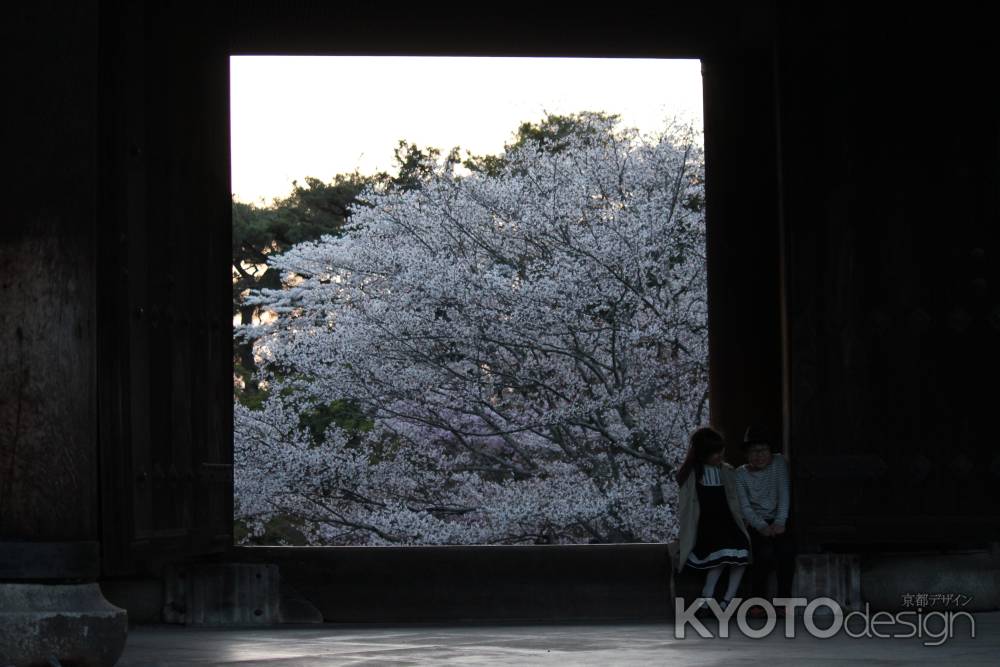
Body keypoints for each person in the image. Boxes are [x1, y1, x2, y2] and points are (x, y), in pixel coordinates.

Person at [673, 426, 752, 612]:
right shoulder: (691, 475)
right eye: (713, 452)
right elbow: (687, 509)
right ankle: (708, 595)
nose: (719, 456)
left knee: (742, 553)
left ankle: (727, 599)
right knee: (721, 554)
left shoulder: (728, 471)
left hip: (729, 523)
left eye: (720, 451)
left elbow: (736, 499)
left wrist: (743, 518)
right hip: (706, 526)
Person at [735, 427, 796, 616]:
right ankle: (757, 601)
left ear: (770, 451)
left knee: (786, 551)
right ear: (746, 454)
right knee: (762, 553)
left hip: (778, 519)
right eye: (753, 451)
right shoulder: (740, 474)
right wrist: (760, 526)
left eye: (763, 450)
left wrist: (780, 521)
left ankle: (783, 602)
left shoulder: (779, 463)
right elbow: (744, 507)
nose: (759, 456)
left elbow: (784, 493)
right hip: (755, 521)